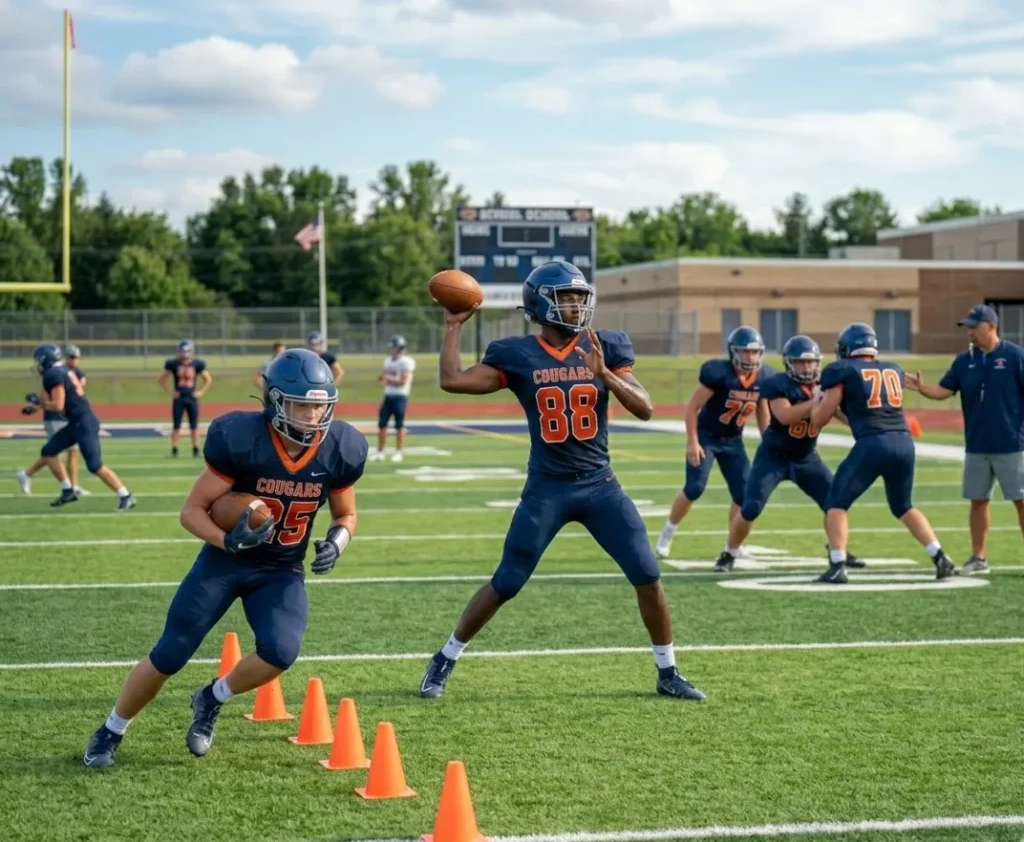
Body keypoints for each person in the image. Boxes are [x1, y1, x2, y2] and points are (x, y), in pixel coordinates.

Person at [417, 260, 705, 702]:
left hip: (600, 484)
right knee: (508, 581)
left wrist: (604, 373)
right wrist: (453, 326)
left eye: (579, 298)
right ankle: (445, 657)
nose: (575, 306)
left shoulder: (604, 344)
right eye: (565, 298)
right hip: (548, 487)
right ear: (540, 304)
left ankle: (668, 671)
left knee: (648, 573)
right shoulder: (517, 353)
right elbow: (452, 380)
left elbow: (645, 408)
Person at [83, 349, 368, 768]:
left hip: (281, 569)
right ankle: (110, 730)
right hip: (226, 560)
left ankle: (211, 698)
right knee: (171, 653)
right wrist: (225, 540)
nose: (312, 416)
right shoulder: (243, 440)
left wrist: (336, 542)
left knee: (281, 651)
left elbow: (346, 513)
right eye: (302, 406)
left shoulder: (340, 449)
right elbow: (191, 511)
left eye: (319, 406)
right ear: (275, 402)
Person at [811, 323, 955, 584]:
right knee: (903, 506)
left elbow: (819, 420)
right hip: (903, 443)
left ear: (846, 348)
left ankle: (837, 564)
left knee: (835, 503)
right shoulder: (893, 369)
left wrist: (817, 404)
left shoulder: (841, 370)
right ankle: (940, 556)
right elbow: (865, 413)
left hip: (873, 445)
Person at [715, 335, 863, 572]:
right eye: (800, 363)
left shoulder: (825, 384)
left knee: (835, 503)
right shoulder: (777, 383)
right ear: (788, 363)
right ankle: (729, 553)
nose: (807, 368)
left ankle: (838, 551)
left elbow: (840, 413)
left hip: (807, 457)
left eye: (811, 362)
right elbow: (785, 415)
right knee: (751, 506)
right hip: (773, 457)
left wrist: (861, 424)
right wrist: (818, 401)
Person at [906, 304, 1024, 575]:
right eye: (968, 327)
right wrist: (923, 388)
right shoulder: (964, 361)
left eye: (974, 326)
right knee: (978, 500)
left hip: (1012, 444)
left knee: (1021, 500)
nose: (969, 332)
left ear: (991, 326)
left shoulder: (1015, 356)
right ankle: (978, 558)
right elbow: (943, 391)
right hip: (976, 445)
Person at [655, 326, 772, 567]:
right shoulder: (719, 373)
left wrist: (769, 440)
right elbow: (691, 407)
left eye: (754, 352)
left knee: (744, 496)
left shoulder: (764, 377)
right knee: (694, 488)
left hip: (733, 441)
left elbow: (762, 409)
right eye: (745, 352)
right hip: (707, 436)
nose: (750, 358)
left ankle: (734, 546)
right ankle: (667, 532)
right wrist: (693, 441)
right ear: (733, 353)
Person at [29, 344, 136, 511]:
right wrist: (41, 399)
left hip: (84, 423)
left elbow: (58, 405)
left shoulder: (54, 374)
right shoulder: (62, 370)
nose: (37, 364)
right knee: (48, 451)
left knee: (95, 466)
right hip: (76, 422)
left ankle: (125, 495)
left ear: (46, 360)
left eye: (39, 361)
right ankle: (67, 490)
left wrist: (40, 403)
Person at [17, 344, 89, 497]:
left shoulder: (63, 372)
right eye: (71, 357)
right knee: (53, 452)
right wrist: (38, 404)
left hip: (68, 416)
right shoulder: (54, 374)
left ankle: (73, 486)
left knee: (72, 451)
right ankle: (29, 474)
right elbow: (50, 400)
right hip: (55, 417)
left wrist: (37, 404)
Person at [159, 339, 212, 458]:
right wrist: (171, 392)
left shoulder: (197, 364)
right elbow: (162, 379)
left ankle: (195, 449)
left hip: (191, 398)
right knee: (176, 425)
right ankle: (174, 450)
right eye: (183, 351)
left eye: (187, 351)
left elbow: (208, 379)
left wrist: (201, 392)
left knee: (194, 425)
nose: (185, 353)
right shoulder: (173, 364)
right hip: (179, 398)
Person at [372, 335, 416, 463]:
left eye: (395, 347)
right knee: (382, 424)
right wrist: (386, 379)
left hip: (400, 396)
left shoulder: (406, 362)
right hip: (388, 396)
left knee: (399, 425)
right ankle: (380, 451)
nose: (393, 350)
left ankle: (399, 451)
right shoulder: (388, 361)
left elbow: (403, 381)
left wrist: (387, 379)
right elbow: (386, 378)